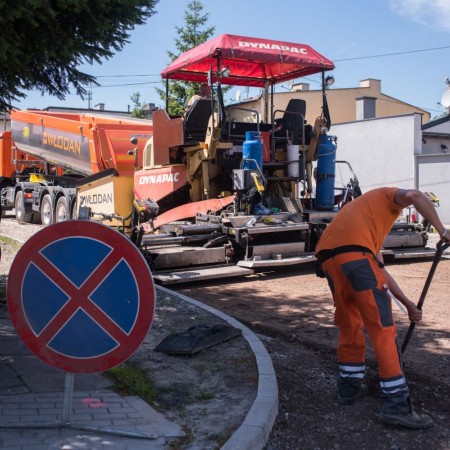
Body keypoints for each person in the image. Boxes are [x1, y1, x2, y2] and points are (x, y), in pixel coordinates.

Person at [314, 187, 450, 429]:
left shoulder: (362, 219)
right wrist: (443, 230)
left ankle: (349, 388)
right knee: (383, 328)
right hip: (355, 258)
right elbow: (416, 196)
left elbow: (378, 270)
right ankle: (396, 406)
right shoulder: (388, 195)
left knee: (350, 324)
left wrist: (408, 304)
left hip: (330, 261)